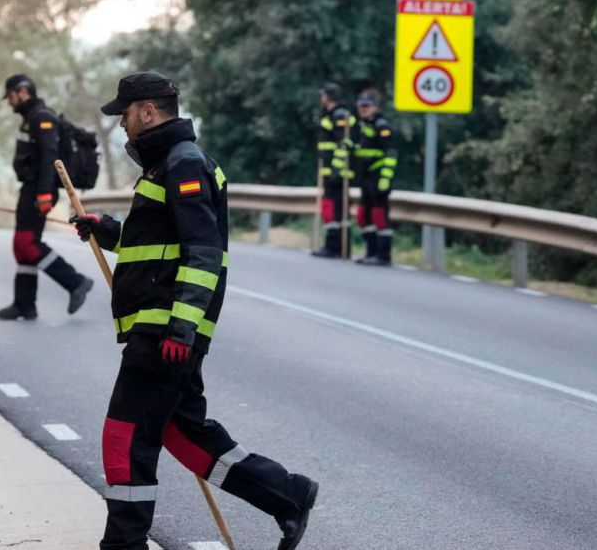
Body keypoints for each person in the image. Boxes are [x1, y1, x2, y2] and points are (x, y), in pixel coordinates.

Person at [71, 71, 319, 550]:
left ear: (148, 111)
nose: (121, 124)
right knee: (186, 437)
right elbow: (157, 246)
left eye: (125, 113)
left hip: (166, 328)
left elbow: (203, 253)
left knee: (124, 437)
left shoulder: (183, 164)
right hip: (165, 327)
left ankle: (124, 542)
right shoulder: (165, 165)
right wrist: (106, 230)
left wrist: (182, 328)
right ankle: (288, 495)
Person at [0, 74, 93, 320]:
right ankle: (24, 304)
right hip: (31, 188)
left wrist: (43, 193)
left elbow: (50, 157)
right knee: (21, 245)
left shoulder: (43, 118)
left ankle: (75, 282)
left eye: (11, 96)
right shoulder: (30, 119)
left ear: (23, 91)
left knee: (28, 243)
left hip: (40, 190)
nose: (9, 102)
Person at [352, 88, 397, 265]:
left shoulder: (382, 126)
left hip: (379, 177)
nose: (364, 109)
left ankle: (383, 255)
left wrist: (385, 179)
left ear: (375, 107)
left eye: (367, 106)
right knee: (363, 215)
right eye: (361, 106)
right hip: (365, 177)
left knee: (379, 215)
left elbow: (391, 154)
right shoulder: (361, 126)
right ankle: (371, 252)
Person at [312, 82, 355, 258]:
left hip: (338, 172)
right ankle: (337, 246)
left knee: (334, 209)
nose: (322, 98)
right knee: (335, 209)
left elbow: (343, 144)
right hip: (331, 171)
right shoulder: (330, 115)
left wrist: (336, 169)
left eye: (323, 95)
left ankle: (336, 246)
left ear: (329, 96)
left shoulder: (339, 115)